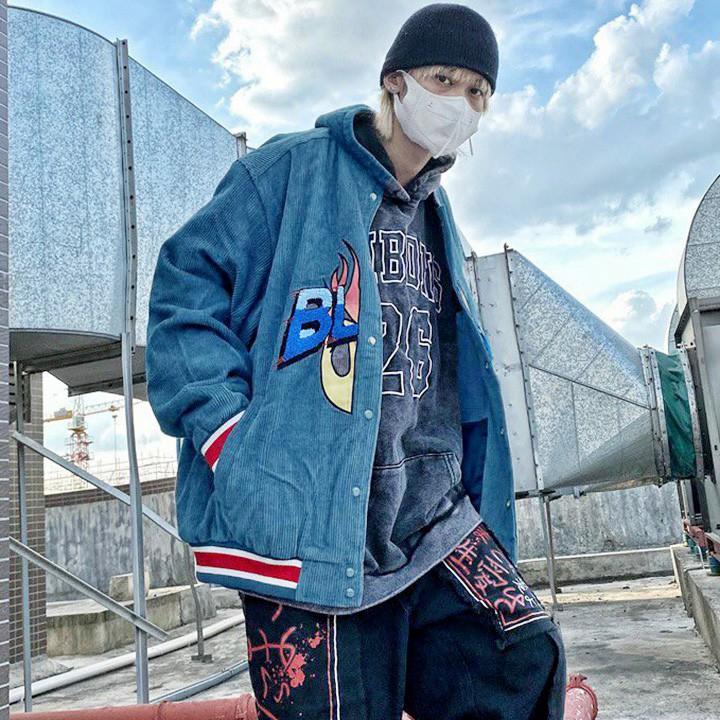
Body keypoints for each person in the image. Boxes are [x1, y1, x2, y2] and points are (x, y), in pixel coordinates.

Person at [145, 3, 567, 718]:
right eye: (444, 79)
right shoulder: (290, 170)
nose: (460, 104)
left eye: (478, 93)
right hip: (311, 513)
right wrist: (230, 439)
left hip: (428, 512)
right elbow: (185, 285)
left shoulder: (436, 214)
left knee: (521, 655)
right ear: (395, 81)